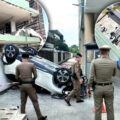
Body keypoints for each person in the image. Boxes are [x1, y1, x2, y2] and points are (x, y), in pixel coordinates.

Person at [87, 45, 117, 120]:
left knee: (97, 110)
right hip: (109, 88)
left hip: (98, 88)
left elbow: (91, 76)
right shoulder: (113, 62)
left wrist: (88, 87)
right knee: (110, 110)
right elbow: (114, 74)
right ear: (108, 52)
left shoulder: (94, 62)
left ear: (100, 52)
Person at [15, 53, 47, 120]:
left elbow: (16, 77)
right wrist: (33, 80)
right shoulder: (31, 65)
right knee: (35, 101)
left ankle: (23, 117)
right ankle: (40, 117)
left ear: (22, 58)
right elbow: (35, 75)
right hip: (30, 85)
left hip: (22, 86)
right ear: (28, 58)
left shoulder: (18, 66)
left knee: (23, 102)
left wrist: (20, 80)